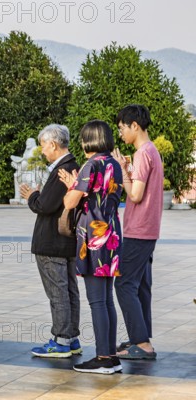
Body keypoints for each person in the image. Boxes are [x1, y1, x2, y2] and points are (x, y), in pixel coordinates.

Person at [59, 120, 124, 374]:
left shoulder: (91, 164)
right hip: (112, 234)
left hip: (93, 238)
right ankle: (111, 356)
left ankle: (102, 358)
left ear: (88, 139)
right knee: (107, 300)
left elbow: (70, 200)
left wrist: (72, 186)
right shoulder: (114, 164)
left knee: (97, 301)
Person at [20, 125, 81, 358]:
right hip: (67, 241)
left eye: (44, 145)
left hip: (52, 242)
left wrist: (32, 196)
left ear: (53, 144)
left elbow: (44, 206)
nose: (43, 150)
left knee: (58, 292)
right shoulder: (72, 166)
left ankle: (62, 340)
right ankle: (72, 338)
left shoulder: (62, 170)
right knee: (68, 290)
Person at [112, 104, 163, 360]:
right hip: (148, 229)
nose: (120, 133)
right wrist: (128, 168)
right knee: (141, 286)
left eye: (122, 128)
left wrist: (122, 172)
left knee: (123, 283)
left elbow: (135, 194)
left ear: (135, 125)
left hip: (138, 230)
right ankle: (141, 338)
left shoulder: (143, 153)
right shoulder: (151, 151)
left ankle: (142, 344)